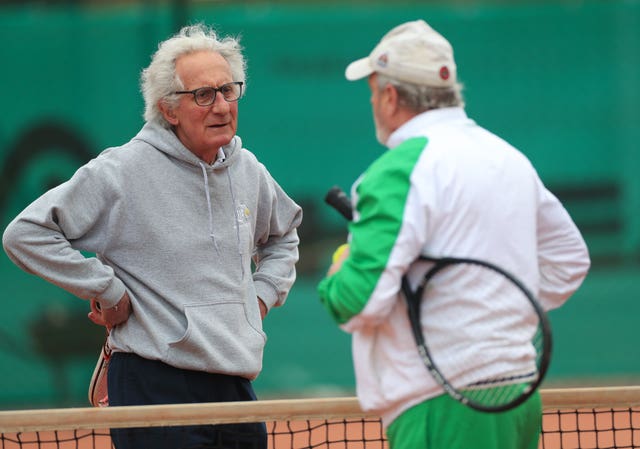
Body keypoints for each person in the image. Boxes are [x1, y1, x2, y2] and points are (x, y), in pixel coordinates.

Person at [3, 23, 302, 449]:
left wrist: (259, 297)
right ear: (168, 108)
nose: (221, 106)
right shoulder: (121, 171)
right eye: (203, 94)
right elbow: (26, 233)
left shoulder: (248, 168)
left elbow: (284, 235)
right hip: (152, 383)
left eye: (228, 90)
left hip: (234, 382)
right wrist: (106, 290)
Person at [317, 19, 590, 449]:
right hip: (517, 398)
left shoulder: (395, 171)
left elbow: (357, 302)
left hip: (440, 407)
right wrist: (494, 311)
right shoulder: (508, 157)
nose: (373, 103)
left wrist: (341, 267)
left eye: (372, 92)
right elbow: (570, 261)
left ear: (390, 96)